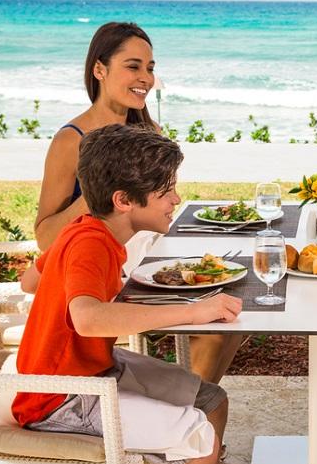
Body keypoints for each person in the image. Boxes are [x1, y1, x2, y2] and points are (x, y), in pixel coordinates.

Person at [14, 124, 241, 464]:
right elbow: (87, 318)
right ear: (123, 200)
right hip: (62, 396)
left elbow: (29, 281)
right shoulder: (90, 243)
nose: (176, 199)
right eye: (165, 191)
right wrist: (192, 312)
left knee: (211, 400)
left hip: (91, 372)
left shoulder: (84, 229)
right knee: (200, 439)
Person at [32, 21, 243, 387]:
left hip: (149, 257)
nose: (145, 77)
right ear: (99, 69)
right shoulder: (71, 140)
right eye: (133, 66)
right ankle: (186, 421)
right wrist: (101, 188)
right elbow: (45, 238)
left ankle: (189, 414)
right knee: (212, 325)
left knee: (229, 315)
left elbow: (155, 206)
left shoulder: (150, 132)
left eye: (150, 68)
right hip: (104, 271)